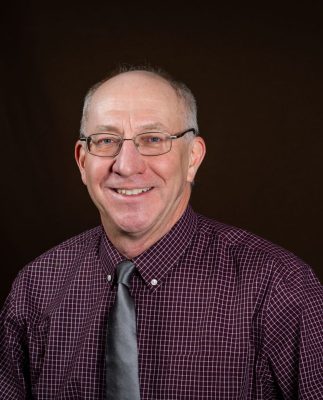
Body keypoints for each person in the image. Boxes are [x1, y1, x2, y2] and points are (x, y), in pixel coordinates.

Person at [0, 66, 322, 400]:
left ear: (193, 158)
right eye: (106, 140)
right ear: (83, 161)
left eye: (153, 140)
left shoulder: (280, 287)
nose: (126, 165)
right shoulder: (36, 287)